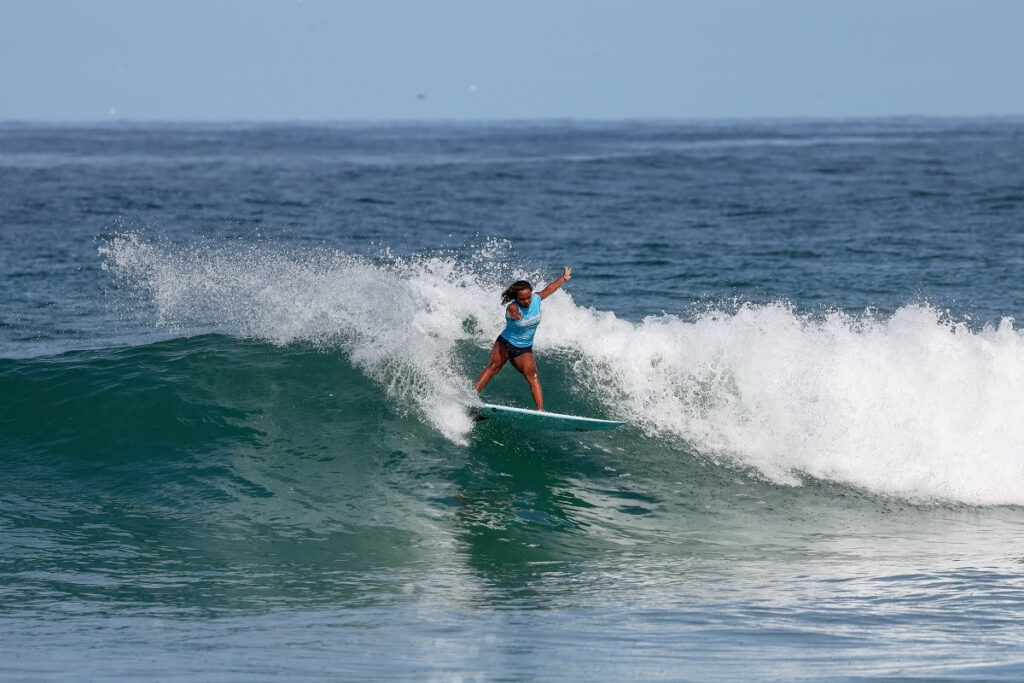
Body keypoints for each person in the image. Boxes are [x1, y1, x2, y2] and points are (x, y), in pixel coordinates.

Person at [474, 266, 572, 411]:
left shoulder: (537, 299)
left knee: (533, 375)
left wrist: (563, 278)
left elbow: (549, 289)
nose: (526, 301)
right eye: (522, 299)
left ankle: (540, 410)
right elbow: (512, 313)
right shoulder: (512, 307)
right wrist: (516, 316)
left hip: (524, 349)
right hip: (505, 343)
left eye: (528, 297)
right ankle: (471, 396)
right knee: (494, 365)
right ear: (516, 298)